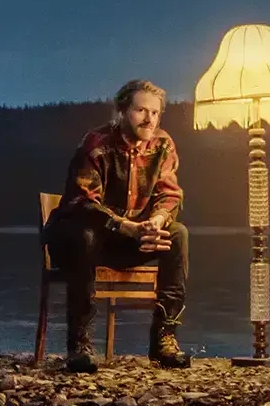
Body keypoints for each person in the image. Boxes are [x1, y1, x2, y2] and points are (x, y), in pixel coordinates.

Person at [43, 78, 188, 373]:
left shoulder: (162, 144)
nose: (149, 119)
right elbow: (84, 202)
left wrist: (156, 222)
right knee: (85, 236)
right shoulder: (96, 144)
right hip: (79, 236)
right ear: (121, 112)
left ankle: (164, 338)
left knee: (177, 234)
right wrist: (127, 227)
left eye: (155, 112)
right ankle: (80, 345)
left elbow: (169, 194)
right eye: (141, 110)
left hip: (128, 238)